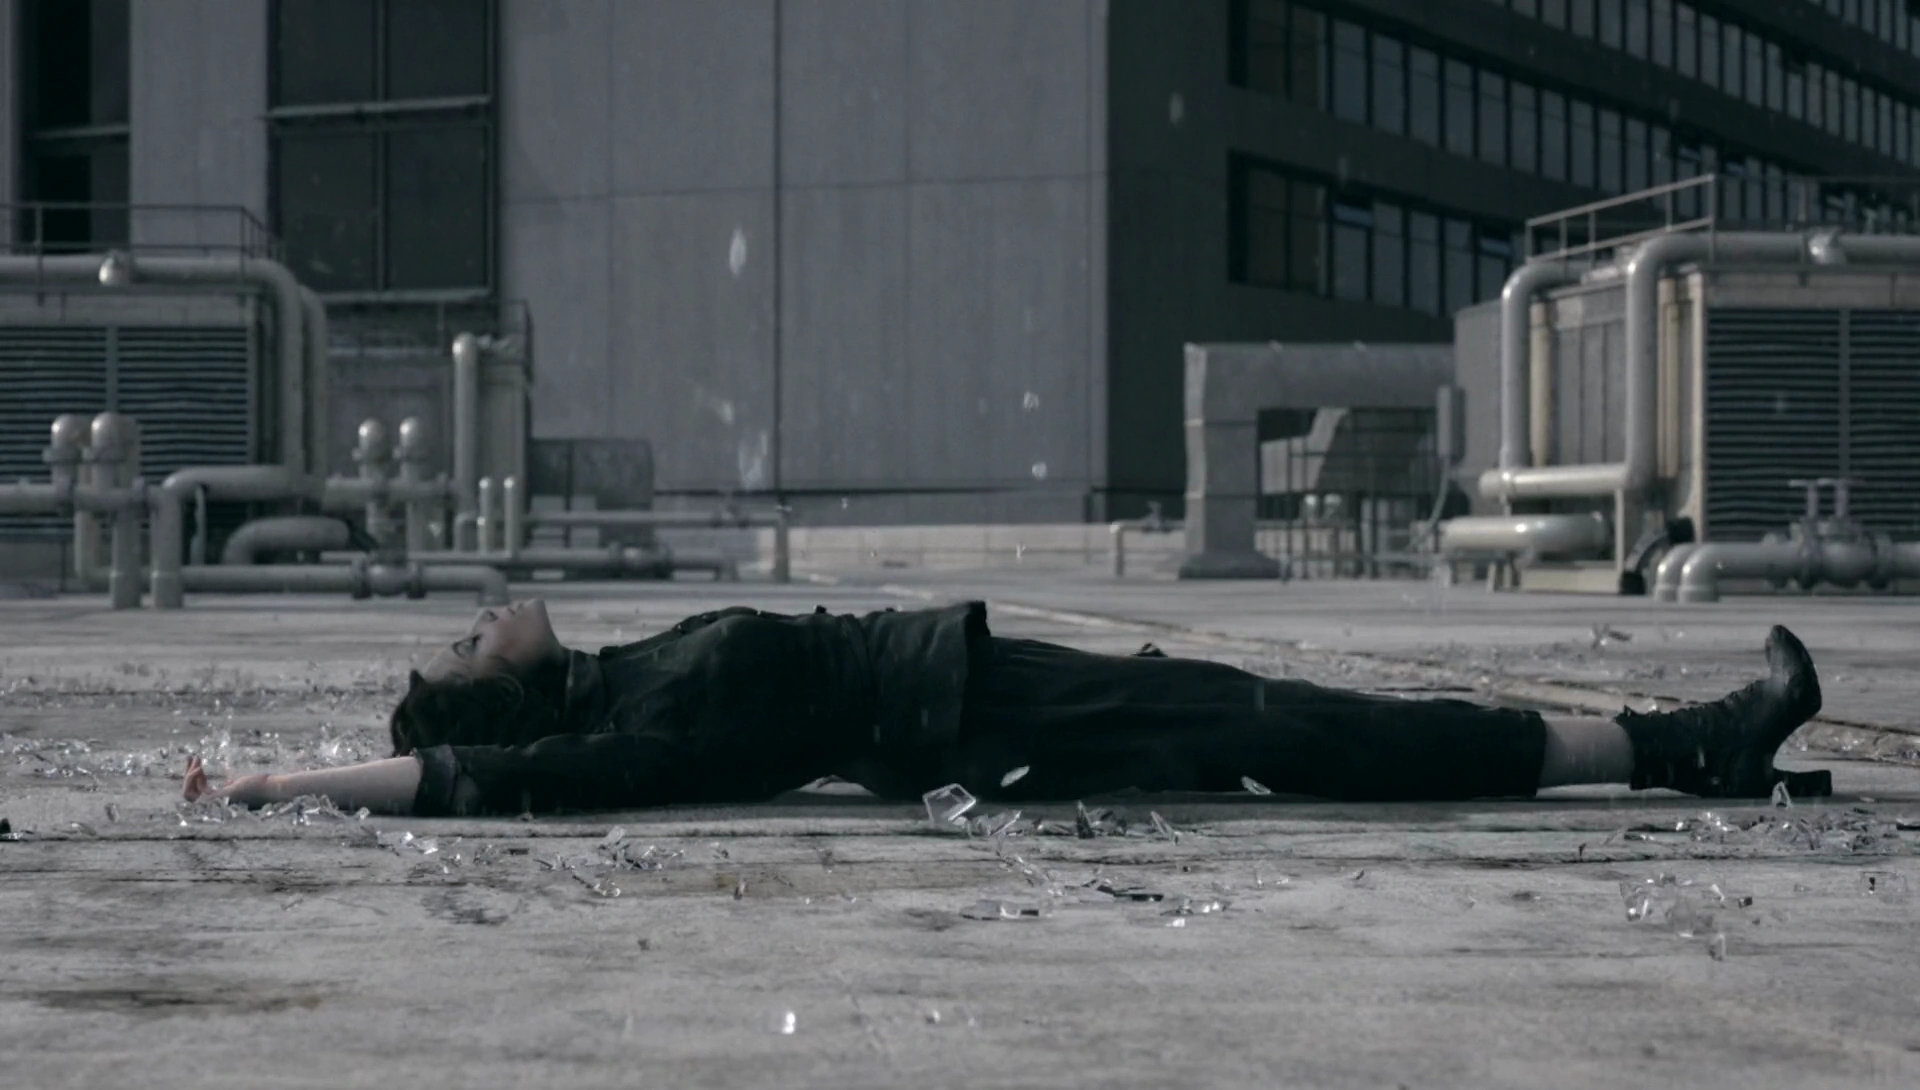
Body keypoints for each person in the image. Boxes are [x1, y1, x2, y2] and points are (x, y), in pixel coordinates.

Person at [181, 598, 1830, 817]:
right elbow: (485, 785)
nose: (481, 613)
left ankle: (1677, 745)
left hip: (985, 688)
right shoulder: (623, 734)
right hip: (984, 719)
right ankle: (1684, 745)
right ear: (497, 692)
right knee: (1307, 728)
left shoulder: (622, 669)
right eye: (465, 638)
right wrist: (280, 789)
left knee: (1299, 722)